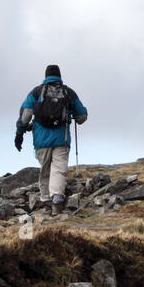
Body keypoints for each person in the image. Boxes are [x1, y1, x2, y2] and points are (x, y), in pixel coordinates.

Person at [15, 65, 88, 216]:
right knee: (59, 170)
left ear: (46, 75)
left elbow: (26, 114)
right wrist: (75, 112)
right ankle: (57, 201)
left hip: (41, 141)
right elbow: (81, 117)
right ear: (59, 75)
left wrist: (20, 133)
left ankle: (47, 202)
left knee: (45, 170)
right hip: (62, 139)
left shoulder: (36, 92)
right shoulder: (68, 92)